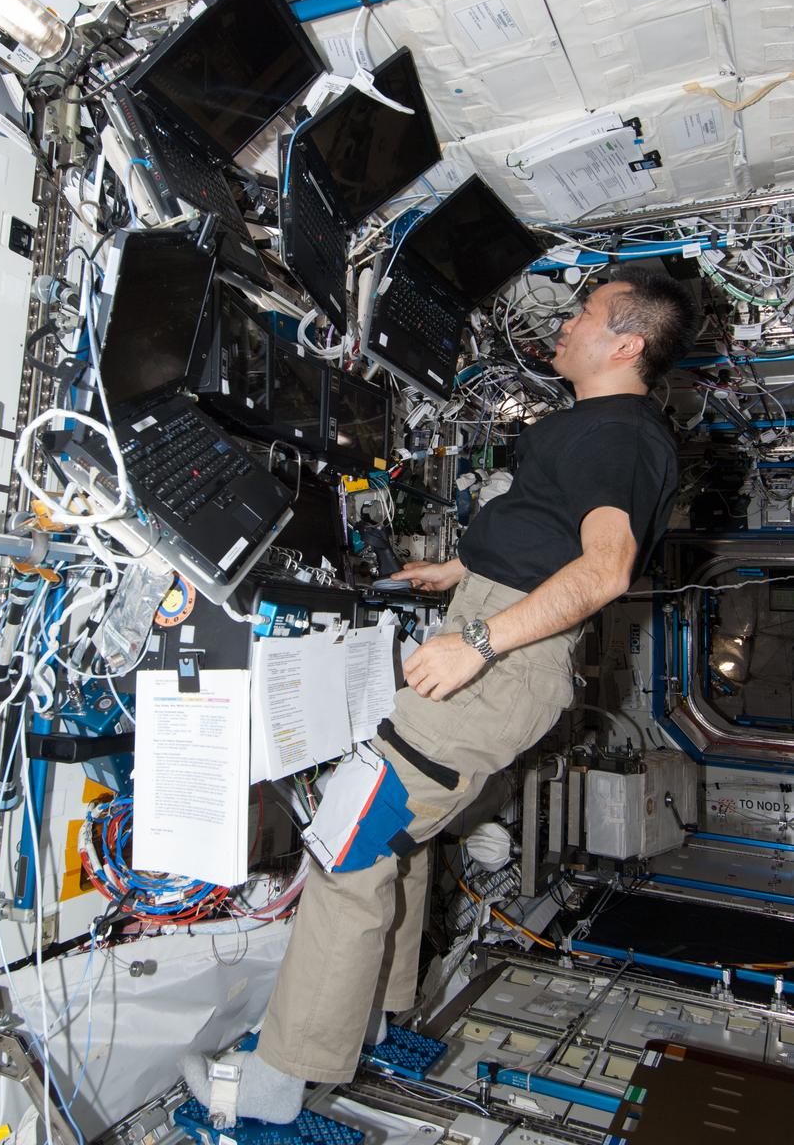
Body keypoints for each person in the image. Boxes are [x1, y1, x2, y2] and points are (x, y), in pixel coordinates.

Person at [182, 267, 699, 1127]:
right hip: (495, 634)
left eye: (584, 314)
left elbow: (604, 567)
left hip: (500, 662)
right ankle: (379, 1021)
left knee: (351, 845)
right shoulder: (603, 428)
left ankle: (274, 1086)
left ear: (627, 344)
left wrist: (479, 642)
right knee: (405, 840)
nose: (566, 325)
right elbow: (550, 531)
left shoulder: (619, 435)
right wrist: (462, 571)